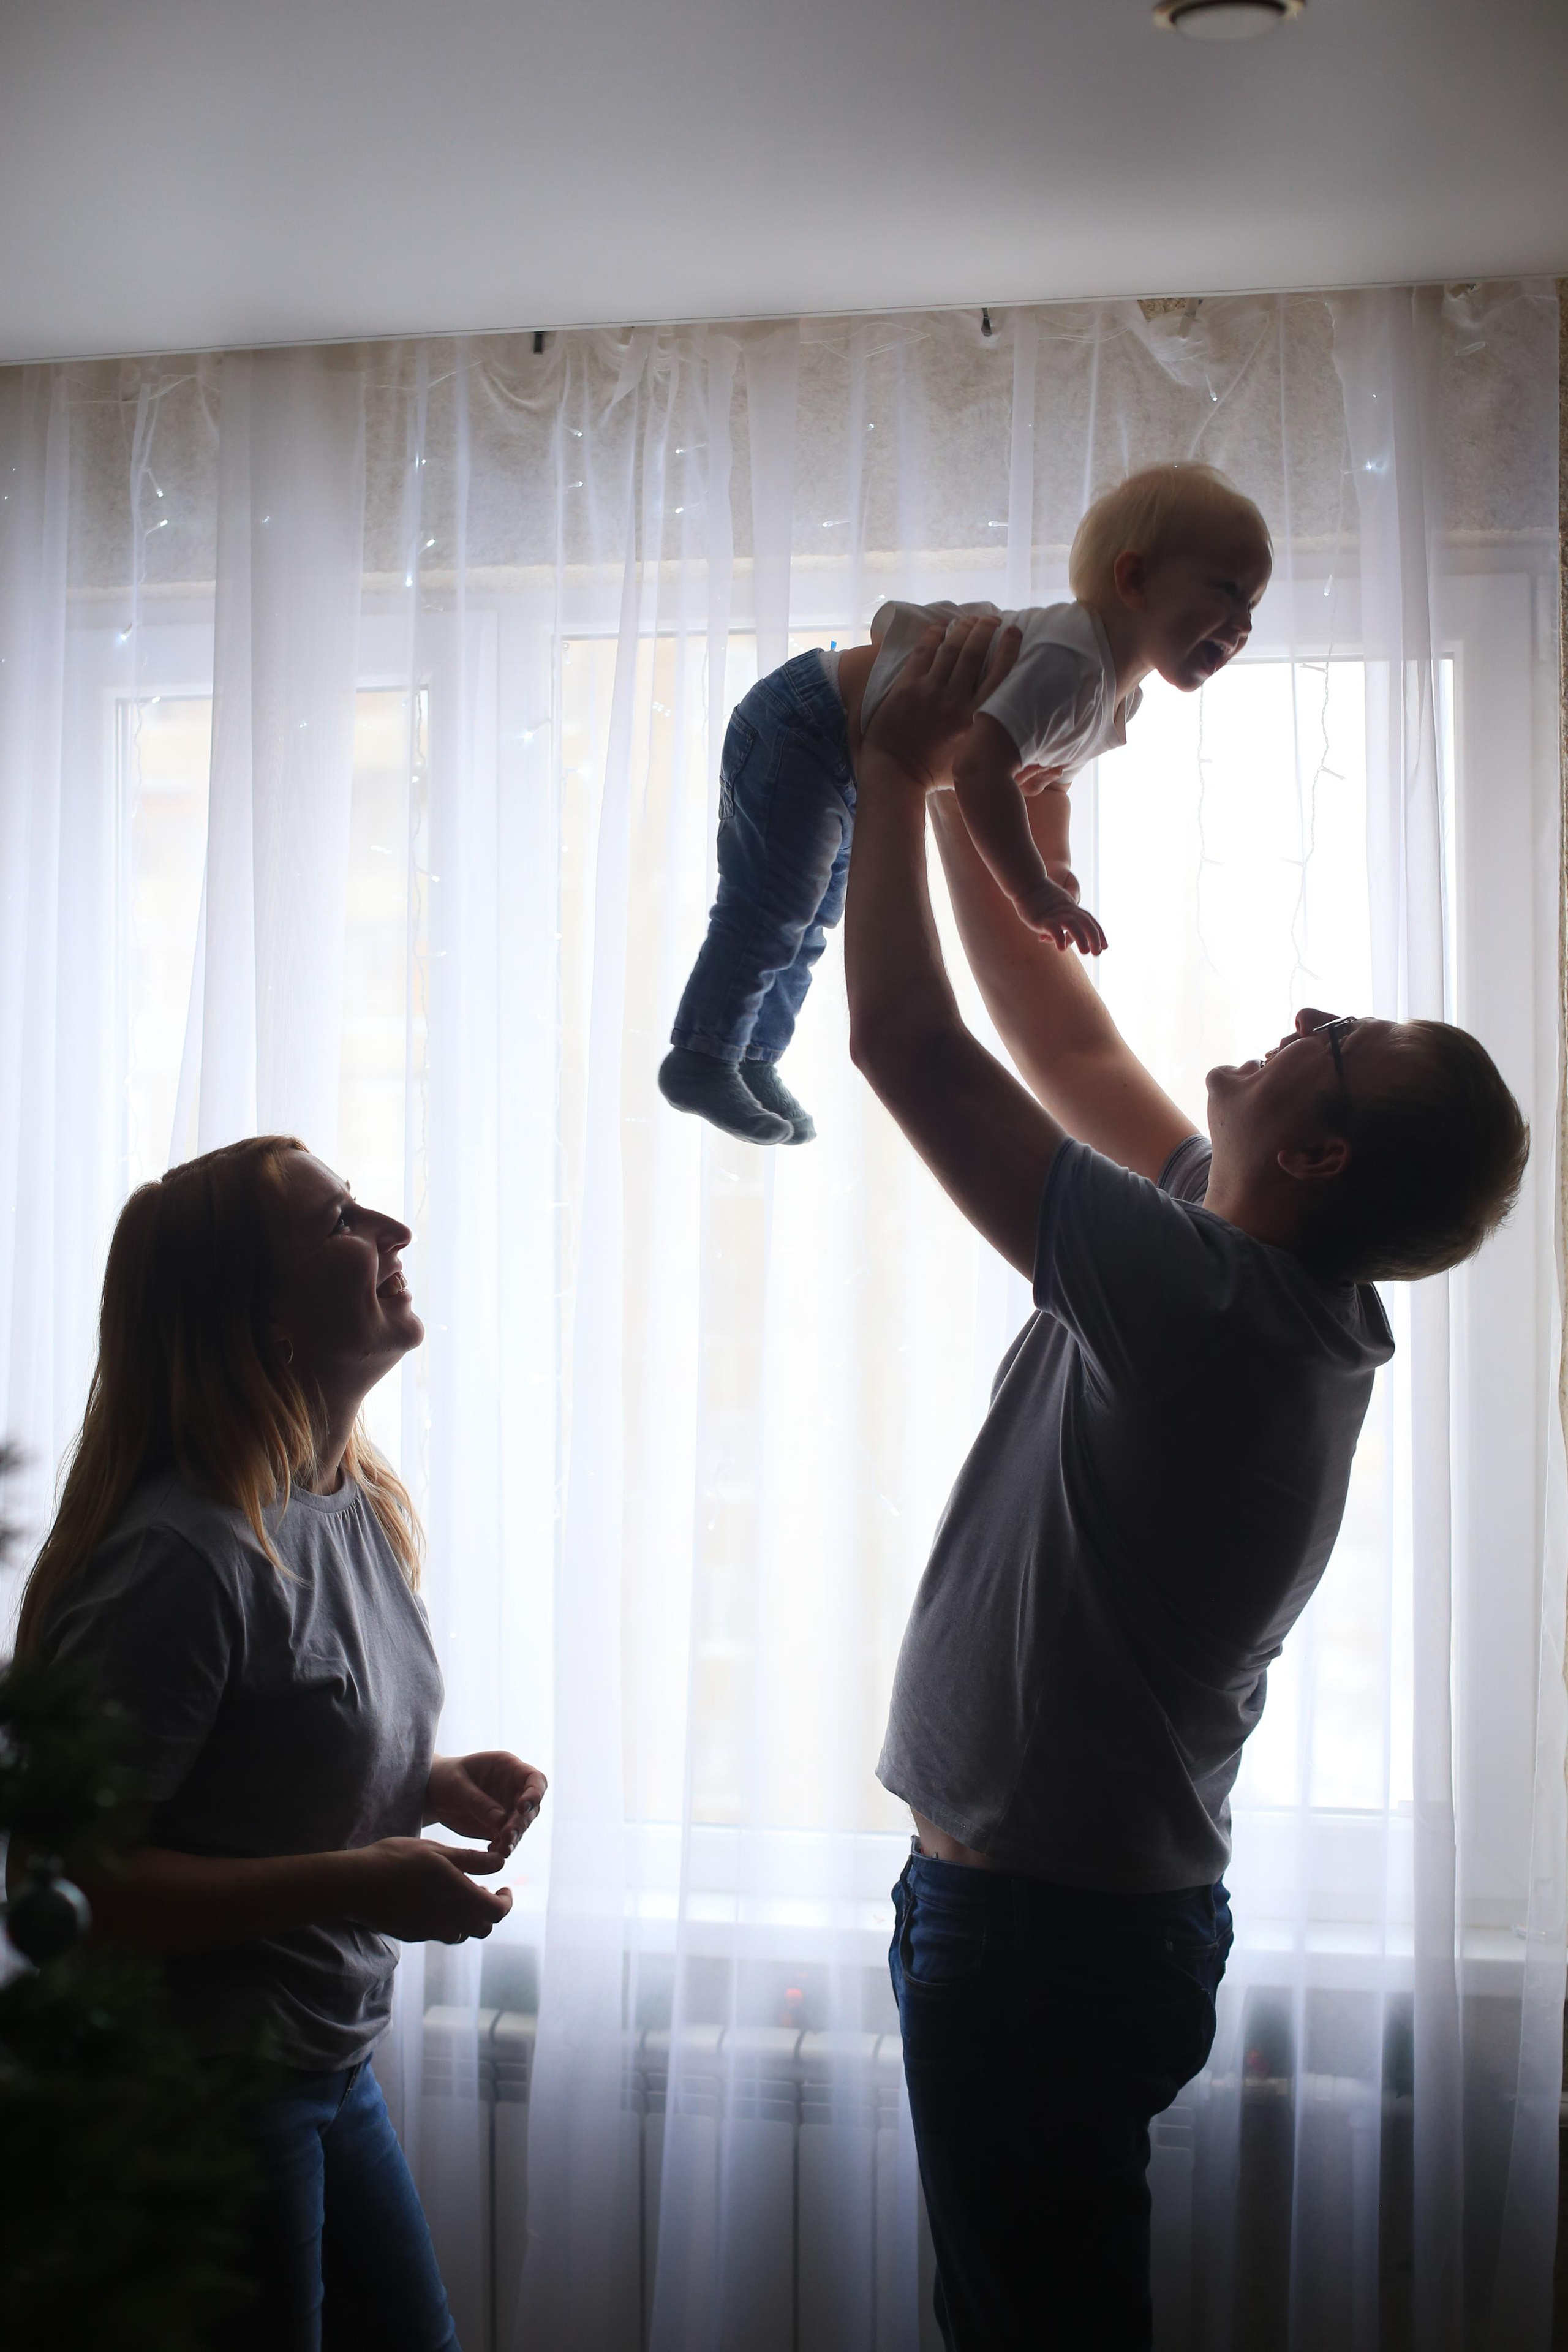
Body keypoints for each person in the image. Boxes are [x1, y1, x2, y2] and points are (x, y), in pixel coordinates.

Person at [843, 617, 1529, 2351]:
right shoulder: (1248, 1270)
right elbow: (1059, 1043)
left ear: (1316, 1153)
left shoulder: (1213, 1307)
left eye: (1344, 1040)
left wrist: (884, 769)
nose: (1307, 1014)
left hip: (1038, 1936)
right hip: (1069, 1918)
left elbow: (914, 1056)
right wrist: (980, 815)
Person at [12, 1137, 546, 2352]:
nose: (392, 1234)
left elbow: (255, 1763)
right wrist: (361, 1881)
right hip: (197, 2095)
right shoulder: (182, 1557)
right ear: (266, 1320)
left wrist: (431, 1782)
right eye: (340, 1221)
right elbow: (69, 1887)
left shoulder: (348, 1509)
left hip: (318, 2072)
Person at [658, 461, 1272, 1145]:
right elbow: (983, 768)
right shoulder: (1073, 662)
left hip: (845, 756)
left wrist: (1056, 864)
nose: (1243, 621)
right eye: (1228, 590)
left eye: (1253, 605)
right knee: (775, 907)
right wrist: (1032, 892)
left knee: (811, 917)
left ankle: (752, 1053)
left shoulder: (1116, 696)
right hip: (806, 723)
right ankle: (703, 1056)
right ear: (1134, 580)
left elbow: (1047, 778)